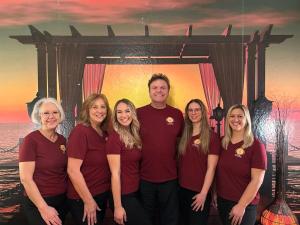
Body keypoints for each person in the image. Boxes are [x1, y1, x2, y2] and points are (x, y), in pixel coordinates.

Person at [137, 73, 184, 225]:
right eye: (155, 87)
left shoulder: (176, 114)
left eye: (163, 87)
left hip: (170, 178)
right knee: (146, 219)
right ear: (149, 91)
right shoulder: (138, 113)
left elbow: (182, 142)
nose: (159, 90)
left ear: (168, 91)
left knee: (170, 220)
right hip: (144, 178)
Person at [19, 97, 68, 225]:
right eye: (46, 113)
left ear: (60, 115)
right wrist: (44, 208)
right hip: (39, 203)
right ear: (39, 116)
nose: (51, 116)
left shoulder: (62, 140)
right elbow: (25, 179)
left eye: (55, 112)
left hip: (61, 201)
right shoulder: (31, 140)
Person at [216, 104, 267, 225]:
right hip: (223, 201)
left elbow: (257, 180)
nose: (235, 119)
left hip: (244, 206)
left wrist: (241, 205)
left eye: (240, 116)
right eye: (232, 116)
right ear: (228, 119)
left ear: (246, 119)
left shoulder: (256, 146)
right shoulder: (222, 142)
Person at [106, 99, 152, 225]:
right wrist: (118, 206)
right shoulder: (114, 138)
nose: (123, 115)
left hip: (136, 191)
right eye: (119, 112)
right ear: (115, 115)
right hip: (123, 196)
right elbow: (115, 174)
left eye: (127, 111)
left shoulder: (134, 135)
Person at [67, 94, 111, 225]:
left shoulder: (104, 133)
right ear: (87, 110)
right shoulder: (80, 132)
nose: (99, 110)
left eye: (103, 107)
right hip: (83, 198)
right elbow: (72, 170)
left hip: (101, 195)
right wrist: (88, 200)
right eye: (94, 107)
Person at [178, 99, 220, 225]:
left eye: (197, 110)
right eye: (190, 110)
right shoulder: (185, 135)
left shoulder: (212, 137)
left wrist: (203, 193)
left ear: (203, 112)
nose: (193, 113)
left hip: (199, 193)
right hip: (181, 190)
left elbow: (211, 169)